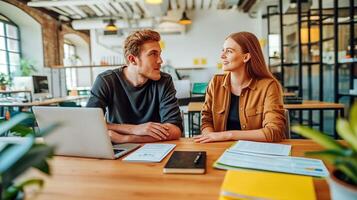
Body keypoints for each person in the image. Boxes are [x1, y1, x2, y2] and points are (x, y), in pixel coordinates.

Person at [87, 29, 182, 143]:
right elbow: (89, 122)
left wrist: (127, 138)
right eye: (153, 54)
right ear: (132, 59)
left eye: (159, 54)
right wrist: (135, 129)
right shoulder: (107, 80)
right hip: (118, 151)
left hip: (153, 149)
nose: (160, 60)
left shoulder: (164, 81)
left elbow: (175, 130)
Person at [194, 32, 286, 143]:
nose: (222, 55)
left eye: (229, 51)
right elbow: (206, 119)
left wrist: (228, 135)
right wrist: (209, 136)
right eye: (222, 50)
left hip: (255, 152)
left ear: (246, 57)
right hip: (220, 150)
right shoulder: (215, 82)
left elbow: (274, 132)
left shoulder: (269, 86)